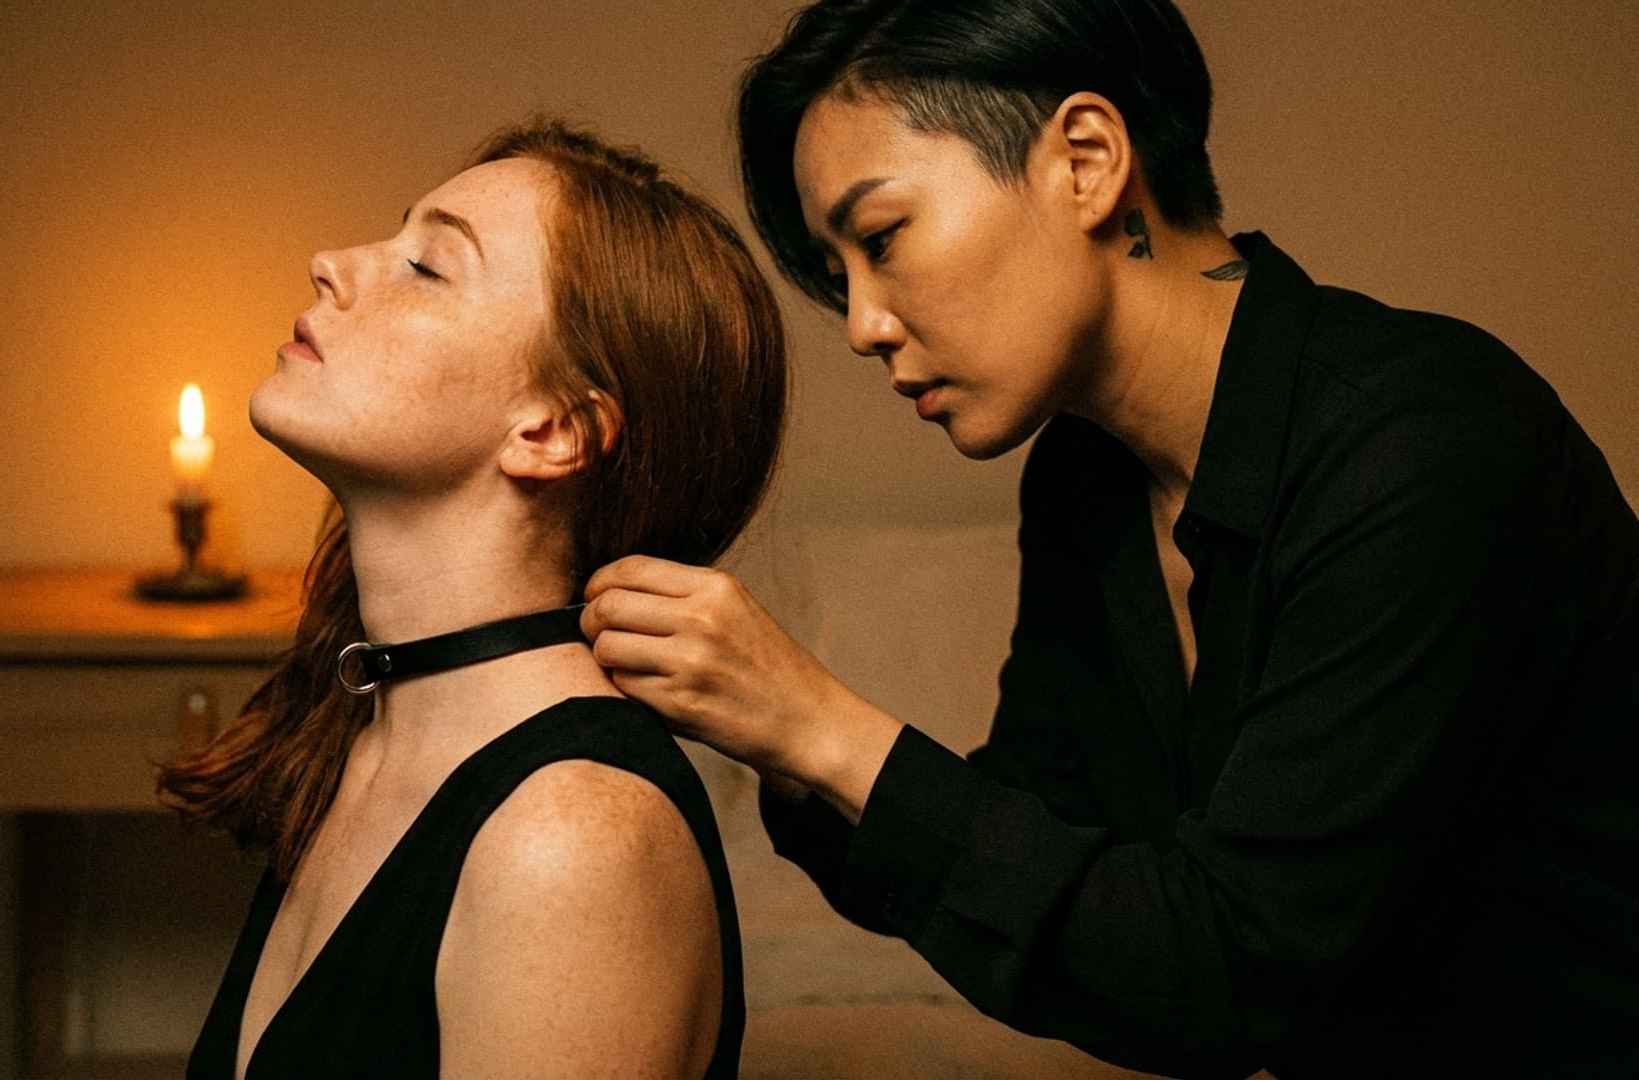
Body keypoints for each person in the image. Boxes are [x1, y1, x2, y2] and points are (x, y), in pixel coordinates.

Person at [580, 1, 1639, 1076]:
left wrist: (818, 724)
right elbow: (1055, 844)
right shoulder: (1086, 480)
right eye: (838, 271)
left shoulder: (1422, 446)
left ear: (1086, 161)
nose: (861, 323)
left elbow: (1227, 971)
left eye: (884, 237)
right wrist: (777, 741)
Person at [158, 119, 787, 1080]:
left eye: (430, 266)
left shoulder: (573, 840)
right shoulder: (361, 742)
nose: (331, 263)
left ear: (552, 431)